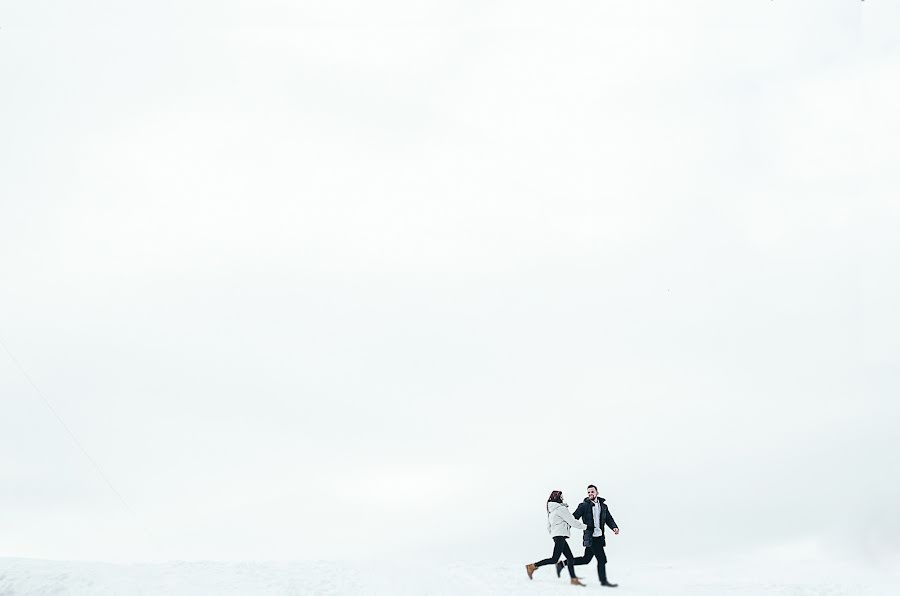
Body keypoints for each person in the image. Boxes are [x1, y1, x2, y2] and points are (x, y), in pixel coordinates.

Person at [556, 484, 620, 587]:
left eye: (592, 491)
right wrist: (564, 529)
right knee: (602, 559)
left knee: (586, 559)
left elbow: (608, 518)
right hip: (591, 537)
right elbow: (573, 518)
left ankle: (563, 563)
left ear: (597, 493)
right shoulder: (583, 506)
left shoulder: (603, 506)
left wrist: (614, 527)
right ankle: (603, 581)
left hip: (599, 537)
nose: (590, 493)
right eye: (588, 492)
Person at [525, 490, 587, 586]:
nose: (562, 498)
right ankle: (532, 566)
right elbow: (572, 521)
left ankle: (573, 579)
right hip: (560, 536)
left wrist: (555, 533)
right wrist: (586, 527)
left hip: (557, 536)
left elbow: (548, 526)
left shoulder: (551, 510)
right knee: (554, 559)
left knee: (570, 558)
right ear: (557, 498)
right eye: (561, 497)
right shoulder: (561, 509)